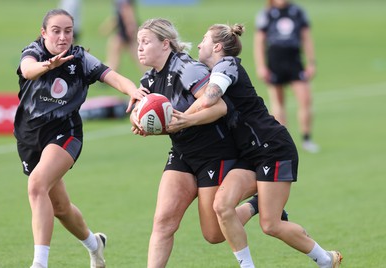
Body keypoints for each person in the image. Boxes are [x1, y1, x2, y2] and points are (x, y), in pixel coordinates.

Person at [170, 23, 342, 267]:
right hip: (249, 154)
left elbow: (211, 97)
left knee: (271, 225)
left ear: (217, 46)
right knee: (221, 206)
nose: (199, 45)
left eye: (204, 40)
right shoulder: (209, 70)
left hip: (273, 149)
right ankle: (249, 251)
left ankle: (326, 260)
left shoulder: (227, 64)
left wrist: (182, 118)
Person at [14, 9, 147, 268]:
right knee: (61, 208)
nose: (63, 37)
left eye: (68, 31)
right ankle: (95, 245)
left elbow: (112, 76)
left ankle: (39, 264)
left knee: (36, 186)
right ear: (43, 33)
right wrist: (46, 66)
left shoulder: (80, 58)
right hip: (30, 138)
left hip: (65, 134)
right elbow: (27, 69)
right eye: (56, 31)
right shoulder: (34, 52)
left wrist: (134, 90)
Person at [130, 18, 261, 268]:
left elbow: (220, 107)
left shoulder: (187, 68)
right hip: (182, 153)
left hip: (215, 152)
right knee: (163, 221)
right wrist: (142, 122)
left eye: (146, 42)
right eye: (138, 43)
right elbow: (154, 115)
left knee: (213, 235)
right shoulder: (148, 80)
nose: (140, 48)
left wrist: (186, 121)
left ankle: (257, 204)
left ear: (165, 43)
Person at [254, 0, 319, 153]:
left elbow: (307, 38)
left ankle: (307, 138)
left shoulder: (297, 11)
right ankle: (283, 140)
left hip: (294, 61)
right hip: (275, 61)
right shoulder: (266, 13)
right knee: (278, 103)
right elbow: (259, 42)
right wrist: (261, 66)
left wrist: (311, 62)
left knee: (305, 99)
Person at [99, 0, 144, 73]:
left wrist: (130, 26)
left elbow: (127, 10)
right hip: (123, 31)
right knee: (115, 54)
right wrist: (107, 27)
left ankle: (153, 77)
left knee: (140, 57)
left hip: (126, 31)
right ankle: (106, 74)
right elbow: (117, 16)